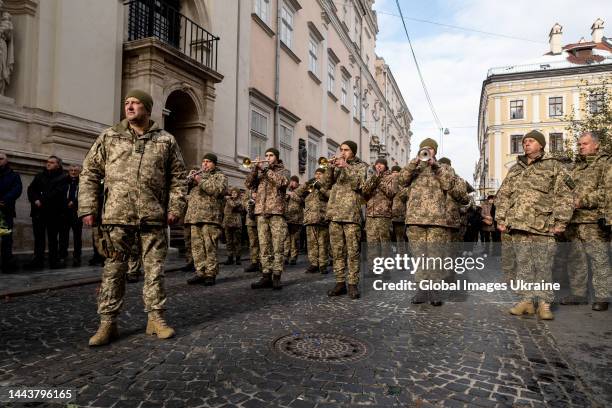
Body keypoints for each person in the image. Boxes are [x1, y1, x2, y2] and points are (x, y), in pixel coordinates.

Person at [80, 89, 187, 346]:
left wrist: (175, 208)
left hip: (153, 217)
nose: (129, 107)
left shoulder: (165, 140)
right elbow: (90, 172)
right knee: (113, 271)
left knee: (154, 271)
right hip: (117, 216)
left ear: (147, 109)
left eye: (136, 103)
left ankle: (156, 318)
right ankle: (108, 323)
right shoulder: (109, 136)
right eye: (127, 102)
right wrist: (88, 207)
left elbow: (179, 178)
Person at [496, 130, 573, 320]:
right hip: (518, 225)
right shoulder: (516, 169)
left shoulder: (554, 166)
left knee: (544, 266)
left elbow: (564, 195)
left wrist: (561, 222)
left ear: (541, 144)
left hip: (543, 225)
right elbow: (504, 195)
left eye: (531, 141)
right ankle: (527, 301)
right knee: (523, 265)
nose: (526, 144)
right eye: (524, 142)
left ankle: (544, 304)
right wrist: (501, 218)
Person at [399, 138, 460, 306]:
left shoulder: (444, 168)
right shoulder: (414, 168)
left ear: (435, 151)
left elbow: (450, 185)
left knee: (435, 257)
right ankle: (422, 290)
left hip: (437, 220)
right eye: (423, 149)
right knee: (419, 257)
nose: (426, 151)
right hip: (415, 219)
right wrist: (414, 163)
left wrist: (436, 166)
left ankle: (434, 290)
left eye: (429, 149)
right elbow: (401, 181)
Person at [561, 131, 610, 311]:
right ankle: (578, 294)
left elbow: (607, 191)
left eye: (585, 144)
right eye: (580, 144)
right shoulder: (576, 167)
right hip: (574, 221)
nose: (581, 147)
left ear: (596, 144)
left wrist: (583, 201)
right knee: (576, 259)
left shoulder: (605, 163)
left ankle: (602, 296)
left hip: (593, 220)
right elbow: (568, 188)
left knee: (599, 259)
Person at [323, 141, 368, 299]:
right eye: (341, 150)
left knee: (353, 252)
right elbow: (325, 184)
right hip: (335, 214)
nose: (343, 152)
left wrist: (346, 167)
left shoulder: (361, 166)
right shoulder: (336, 165)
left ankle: (352, 284)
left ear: (353, 152)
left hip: (351, 215)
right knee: (337, 252)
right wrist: (330, 167)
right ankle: (340, 282)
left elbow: (358, 184)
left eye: (346, 150)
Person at [245, 148, 289, 290]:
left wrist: (265, 170)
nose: (268, 158)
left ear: (276, 157)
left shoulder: (283, 170)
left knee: (277, 246)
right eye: (266, 155)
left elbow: (282, 183)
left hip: (276, 212)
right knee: (264, 246)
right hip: (261, 212)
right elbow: (248, 184)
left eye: (271, 155)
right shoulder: (260, 173)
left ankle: (276, 276)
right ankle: (265, 275)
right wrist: (254, 170)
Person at [185, 154, 228, 286]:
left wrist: (200, 180)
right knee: (197, 248)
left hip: (210, 217)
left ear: (214, 164)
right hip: (194, 216)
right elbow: (185, 192)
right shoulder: (198, 175)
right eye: (203, 161)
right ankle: (200, 272)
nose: (204, 164)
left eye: (208, 162)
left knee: (209, 247)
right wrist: (189, 181)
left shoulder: (220, 176)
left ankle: (210, 273)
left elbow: (218, 191)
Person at [27, 155, 69, 269]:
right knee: (39, 238)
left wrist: (41, 200)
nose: (48, 164)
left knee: (52, 238)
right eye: (47, 162)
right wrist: (35, 199)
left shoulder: (63, 177)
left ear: (58, 165)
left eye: (52, 162)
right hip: (38, 212)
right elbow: (31, 189)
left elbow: (57, 193)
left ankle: (53, 261)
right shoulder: (40, 176)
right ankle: (38, 260)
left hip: (53, 213)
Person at [362, 158, 397, 264]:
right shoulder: (372, 177)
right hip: (370, 214)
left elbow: (391, 193)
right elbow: (364, 191)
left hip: (383, 215)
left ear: (385, 166)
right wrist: (374, 179)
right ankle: (373, 267)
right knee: (372, 243)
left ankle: (386, 267)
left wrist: (380, 181)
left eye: (381, 164)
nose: (379, 166)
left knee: (384, 242)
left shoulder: (391, 178)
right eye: (377, 164)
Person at [295, 168, 329, 274]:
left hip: (321, 217)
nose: (318, 176)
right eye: (316, 174)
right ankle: (314, 264)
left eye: (320, 174)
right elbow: (298, 192)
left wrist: (320, 188)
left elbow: (330, 195)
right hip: (310, 218)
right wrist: (307, 183)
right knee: (311, 243)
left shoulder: (327, 184)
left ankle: (323, 264)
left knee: (322, 243)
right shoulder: (310, 187)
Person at [0, 151, 22, 272]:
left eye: (1, 159)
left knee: (6, 238)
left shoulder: (13, 175)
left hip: (5, 211)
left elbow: (17, 189)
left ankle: (6, 263)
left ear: (6, 160)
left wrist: (4, 199)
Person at [64, 164, 83, 267]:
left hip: (76, 212)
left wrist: (74, 202)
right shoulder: (64, 181)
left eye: (75, 170)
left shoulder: (83, 182)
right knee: (64, 235)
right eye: (71, 170)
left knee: (77, 236)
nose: (73, 172)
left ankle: (77, 257)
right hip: (65, 211)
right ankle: (63, 256)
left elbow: (83, 195)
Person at [284, 176, 304, 265]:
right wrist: (286, 196)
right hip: (287, 218)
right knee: (286, 239)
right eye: (291, 181)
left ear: (297, 182)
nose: (292, 183)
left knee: (295, 240)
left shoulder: (301, 190)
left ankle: (293, 257)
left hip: (297, 219)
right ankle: (286, 256)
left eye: (294, 182)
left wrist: (293, 195)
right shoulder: (287, 190)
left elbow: (303, 201)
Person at [222, 187, 243, 266]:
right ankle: (230, 257)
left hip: (236, 224)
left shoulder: (239, 200)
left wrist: (228, 199)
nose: (233, 194)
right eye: (232, 193)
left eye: (235, 193)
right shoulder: (228, 200)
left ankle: (238, 258)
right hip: (227, 223)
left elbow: (234, 205)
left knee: (236, 242)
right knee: (229, 241)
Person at [390, 165, 408, 251]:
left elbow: (404, 197)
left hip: (399, 216)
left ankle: (401, 261)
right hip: (387, 215)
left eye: (397, 173)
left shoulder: (404, 184)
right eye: (393, 172)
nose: (395, 174)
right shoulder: (388, 183)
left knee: (400, 240)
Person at [243, 190, 260, 272]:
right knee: (253, 243)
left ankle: (262, 262)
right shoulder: (248, 190)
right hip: (250, 221)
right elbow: (244, 201)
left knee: (262, 242)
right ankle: (254, 262)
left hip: (261, 221)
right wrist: (250, 205)